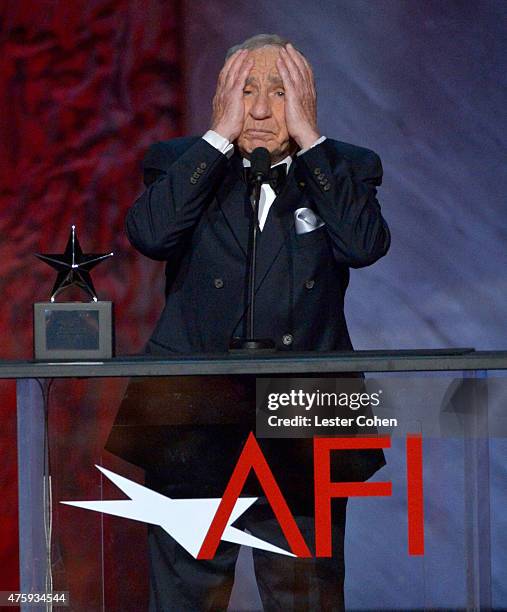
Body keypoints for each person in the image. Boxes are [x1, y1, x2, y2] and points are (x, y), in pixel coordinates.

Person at [121, 33, 390, 611]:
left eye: (280, 91)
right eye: (246, 92)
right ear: (222, 96)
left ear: (307, 98)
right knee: (184, 600)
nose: (263, 110)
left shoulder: (344, 167)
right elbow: (151, 235)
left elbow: (364, 245)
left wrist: (312, 140)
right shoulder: (180, 164)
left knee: (306, 599)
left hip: (302, 428)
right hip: (193, 426)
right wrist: (217, 137)